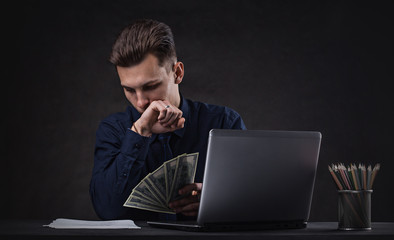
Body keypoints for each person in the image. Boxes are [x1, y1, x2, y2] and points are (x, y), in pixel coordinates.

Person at [89, 19, 246, 220]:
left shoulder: (224, 122)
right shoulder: (113, 129)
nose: (140, 102)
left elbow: (249, 197)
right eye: (129, 90)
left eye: (150, 86)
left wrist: (218, 201)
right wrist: (141, 132)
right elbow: (108, 211)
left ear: (177, 73)